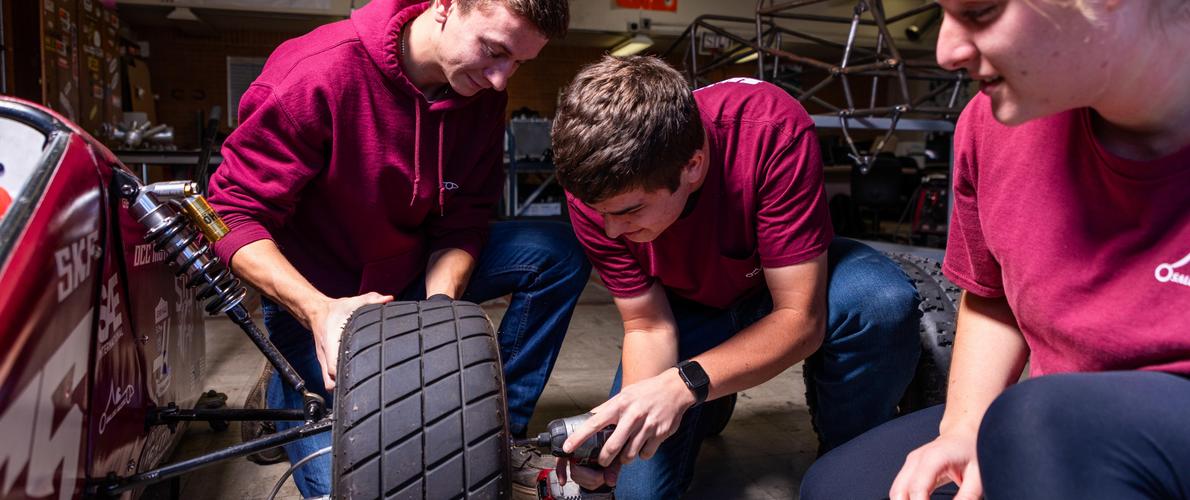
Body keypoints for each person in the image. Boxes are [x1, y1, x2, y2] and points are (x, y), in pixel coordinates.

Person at [799, 0, 1190, 498]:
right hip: (1047, 420)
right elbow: (993, 294)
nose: (946, 51)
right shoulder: (993, 125)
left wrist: (1041, 433)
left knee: (1042, 420)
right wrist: (967, 426)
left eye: (980, 11)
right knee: (838, 488)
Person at [205, 0, 586, 496]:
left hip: (410, 267)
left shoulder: (483, 97)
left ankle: (499, 429)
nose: (500, 79)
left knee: (557, 253)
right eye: (494, 51)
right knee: (346, 487)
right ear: (446, 6)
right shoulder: (316, 72)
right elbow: (229, 214)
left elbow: (466, 215)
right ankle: (282, 380)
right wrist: (317, 311)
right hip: (323, 298)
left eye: (517, 63)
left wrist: (440, 313)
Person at [547, 55, 925, 498]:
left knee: (879, 300)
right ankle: (712, 395)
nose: (612, 231)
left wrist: (684, 384)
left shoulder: (770, 128)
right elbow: (647, 325)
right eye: (601, 215)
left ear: (692, 164)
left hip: (780, 284)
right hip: (687, 307)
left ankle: (849, 459)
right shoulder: (596, 189)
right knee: (637, 491)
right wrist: (622, 431)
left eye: (630, 211)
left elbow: (799, 318)